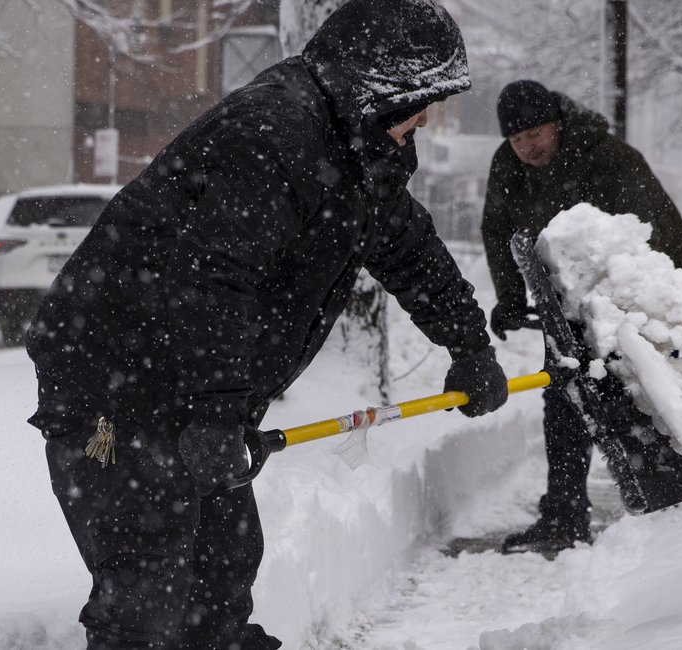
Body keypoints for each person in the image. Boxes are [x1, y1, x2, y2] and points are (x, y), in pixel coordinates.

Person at [25, 1, 508, 648]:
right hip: (115, 377)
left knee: (223, 568)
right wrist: (219, 415)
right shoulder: (274, 134)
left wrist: (469, 345)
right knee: (146, 587)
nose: (426, 119)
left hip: (194, 383)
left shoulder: (357, 150)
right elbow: (214, 281)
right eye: (422, 102)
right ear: (375, 89)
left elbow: (409, 250)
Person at [481, 79, 682, 554]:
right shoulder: (507, 166)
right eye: (518, 140)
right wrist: (509, 296)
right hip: (564, 302)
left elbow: (652, 228)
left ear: (558, 124)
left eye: (536, 133)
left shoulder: (606, 156)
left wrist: (656, 304)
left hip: (635, 295)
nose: (528, 147)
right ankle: (564, 516)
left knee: (640, 396)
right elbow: (498, 230)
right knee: (563, 402)